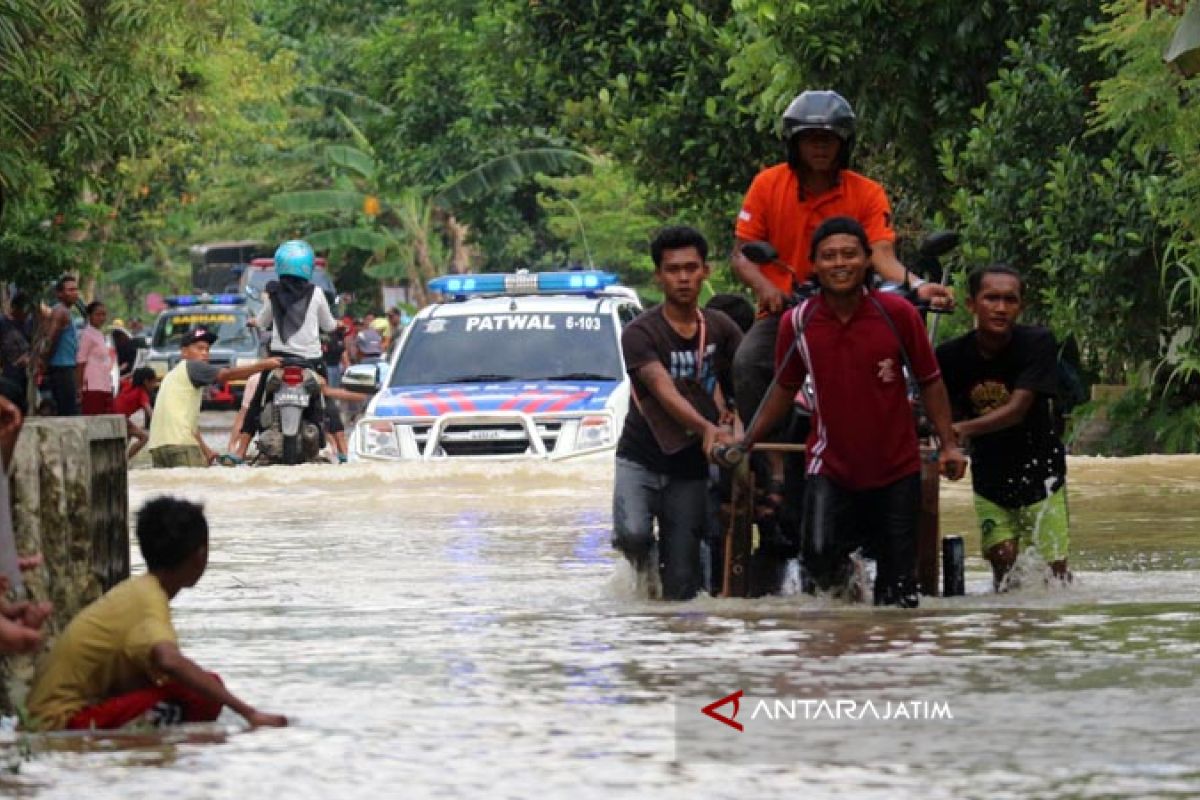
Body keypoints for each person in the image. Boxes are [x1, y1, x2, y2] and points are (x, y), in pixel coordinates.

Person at [730, 90, 954, 519]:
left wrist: (918, 284)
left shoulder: (867, 193)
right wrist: (766, 288)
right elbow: (743, 253)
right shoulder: (767, 184)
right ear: (794, 143)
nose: (819, 146)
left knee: (907, 367)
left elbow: (882, 256)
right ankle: (772, 464)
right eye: (810, 138)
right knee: (748, 362)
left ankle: (904, 443)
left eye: (828, 139)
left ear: (843, 144)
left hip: (858, 306)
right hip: (787, 312)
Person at [739, 217, 966, 607]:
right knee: (819, 558)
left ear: (866, 261)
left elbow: (930, 381)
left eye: (849, 254)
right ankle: (849, 612)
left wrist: (948, 445)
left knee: (898, 594)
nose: (839, 263)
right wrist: (747, 441)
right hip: (831, 466)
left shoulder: (898, 315)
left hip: (896, 467)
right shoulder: (798, 322)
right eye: (829, 256)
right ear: (814, 264)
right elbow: (783, 388)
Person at [25, 496, 288, 730]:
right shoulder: (149, 599)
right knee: (203, 695)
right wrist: (249, 713)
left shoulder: (138, 591)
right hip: (62, 722)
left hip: (49, 715)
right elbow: (169, 661)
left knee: (194, 687)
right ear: (200, 555)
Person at [612, 225, 742, 601]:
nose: (683, 278)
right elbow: (662, 389)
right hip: (640, 456)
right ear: (659, 275)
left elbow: (745, 380)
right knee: (633, 536)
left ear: (706, 271)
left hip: (690, 466)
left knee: (683, 583)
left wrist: (734, 420)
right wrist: (706, 428)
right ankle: (645, 574)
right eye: (673, 269)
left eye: (691, 268)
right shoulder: (640, 332)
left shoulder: (722, 329)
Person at [936, 264, 1070, 589]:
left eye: (1010, 300)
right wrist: (947, 442)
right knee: (1004, 569)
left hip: (1042, 474)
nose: (1000, 308)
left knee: (1056, 577)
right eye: (991, 298)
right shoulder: (950, 356)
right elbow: (941, 411)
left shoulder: (1037, 343)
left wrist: (960, 431)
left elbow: (1016, 410)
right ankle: (1006, 633)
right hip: (989, 477)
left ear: (1020, 307)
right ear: (971, 304)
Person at [240, 240, 338, 443]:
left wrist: (254, 322)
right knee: (326, 399)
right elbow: (329, 325)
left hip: (280, 360)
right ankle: (343, 449)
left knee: (257, 400)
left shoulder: (273, 292)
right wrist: (338, 326)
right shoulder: (317, 293)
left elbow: (262, 321)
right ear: (307, 266)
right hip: (311, 360)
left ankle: (240, 450)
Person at [148, 327, 280, 468]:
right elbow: (225, 375)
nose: (205, 353)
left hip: (158, 446)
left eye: (207, 349)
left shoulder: (172, 376)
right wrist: (263, 365)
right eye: (199, 348)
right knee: (192, 488)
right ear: (184, 352)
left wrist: (207, 452)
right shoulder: (192, 366)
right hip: (181, 445)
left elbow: (189, 425)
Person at [41, 275, 81, 416]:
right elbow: (50, 339)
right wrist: (43, 363)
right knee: (68, 411)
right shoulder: (60, 311)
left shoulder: (65, 311)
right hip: (61, 368)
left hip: (66, 367)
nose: (75, 293)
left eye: (76, 289)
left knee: (67, 409)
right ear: (59, 294)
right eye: (70, 290)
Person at [77, 301, 114, 415]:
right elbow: (80, 361)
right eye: (98, 314)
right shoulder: (87, 335)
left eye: (104, 314)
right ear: (89, 316)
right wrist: (79, 387)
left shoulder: (99, 334)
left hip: (104, 385)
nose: (102, 318)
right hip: (92, 386)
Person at [114, 367, 159, 460]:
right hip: (121, 418)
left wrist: (130, 374)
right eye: (153, 382)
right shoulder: (142, 393)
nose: (154, 385)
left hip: (112, 415)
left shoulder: (128, 384)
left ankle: (119, 458)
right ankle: (124, 461)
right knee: (144, 437)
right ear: (146, 381)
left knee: (129, 434)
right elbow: (149, 411)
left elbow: (118, 380)